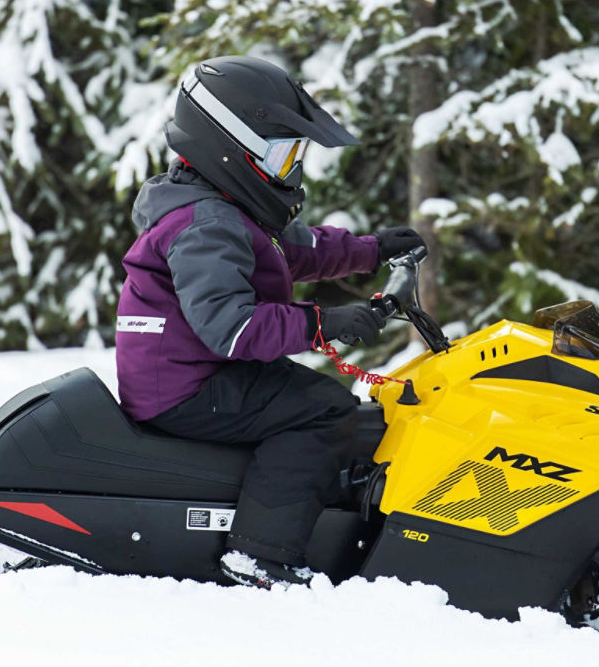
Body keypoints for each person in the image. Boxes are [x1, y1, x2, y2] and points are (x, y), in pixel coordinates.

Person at [114, 56, 423, 589]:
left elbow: (291, 252)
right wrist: (324, 323)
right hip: (185, 387)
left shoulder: (219, 208)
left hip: (186, 372)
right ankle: (261, 554)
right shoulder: (206, 224)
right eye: (281, 156)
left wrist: (371, 250)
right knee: (322, 410)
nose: (290, 171)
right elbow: (230, 327)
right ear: (229, 148)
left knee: (311, 398)